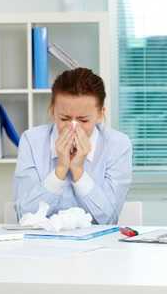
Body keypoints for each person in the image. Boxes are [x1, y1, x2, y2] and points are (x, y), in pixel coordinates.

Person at [14, 68, 132, 224]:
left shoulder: (118, 144)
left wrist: (78, 170)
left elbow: (108, 218)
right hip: (43, 244)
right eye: (64, 118)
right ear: (52, 110)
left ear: (100, 114)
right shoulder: (32, 140)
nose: (73, 127)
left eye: (83, 120)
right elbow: (24, 215)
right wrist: (60, 170)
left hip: (99, 245)